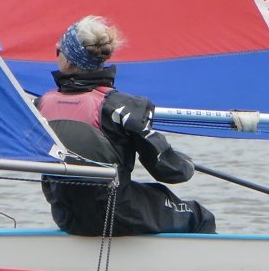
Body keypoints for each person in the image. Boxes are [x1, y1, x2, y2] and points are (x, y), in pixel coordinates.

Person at [36, 15, 216, 236]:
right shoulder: (122, 107)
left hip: (67, 217)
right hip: (119, 214)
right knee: (199, 216)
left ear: (69, 61)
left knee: (151, 195)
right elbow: (170, 172)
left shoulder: (39, 106)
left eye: (58, 51)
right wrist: (187, 164)